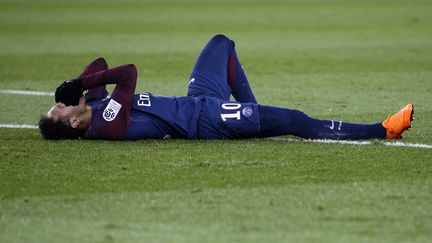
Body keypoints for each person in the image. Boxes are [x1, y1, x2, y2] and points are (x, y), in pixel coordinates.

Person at [39, 34, 414, 140]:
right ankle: (383, 129)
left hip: (198, 101)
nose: (59, 104)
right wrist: (83, 85)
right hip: (208, 120)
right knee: (295, 120)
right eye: (58, 109)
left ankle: (256, 114)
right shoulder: (105, 123)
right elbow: (127, 73)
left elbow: (99, 66)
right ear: (73, 124)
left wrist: (77, 85)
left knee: (221, 44)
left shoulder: (91, 105)